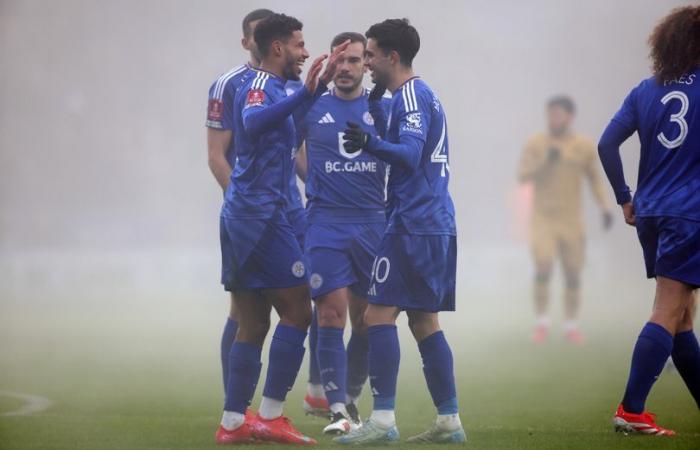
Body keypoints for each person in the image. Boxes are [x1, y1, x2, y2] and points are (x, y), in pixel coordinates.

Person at [214, 13, 349, 445]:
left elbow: (283, 125)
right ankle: (270, 414)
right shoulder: (257, 86)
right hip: (260, 217)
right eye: (299, 45)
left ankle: (233, 423)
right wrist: (305, 92)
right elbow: (253, 123)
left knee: (252, 321)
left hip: (251, 215)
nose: (305, 52)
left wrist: (315, 89)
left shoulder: (277, 89)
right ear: (277, 48)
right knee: (297, 312)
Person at [334, 18, 466, 445]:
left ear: (392, 56)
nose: (366, 61)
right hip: (434, 222)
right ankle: (449, 420)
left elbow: (408, 154)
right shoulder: (418, 95)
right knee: (425, 321)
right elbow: (409, 138)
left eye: (370, 53)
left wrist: (369, 143)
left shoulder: (411, 95)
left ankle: (384, 419)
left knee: (377, 315)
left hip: (413, 222)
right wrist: (374, 103)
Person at [598, 5, 700, 436]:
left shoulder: (646, 89)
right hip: (689, 213)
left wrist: (625, 197)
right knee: (668, 308)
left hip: (652, 212)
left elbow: (606, 144)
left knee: (681, 316)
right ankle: (631, 409)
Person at [296, 31, 390, 435]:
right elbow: (284, 147)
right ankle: (337, 410)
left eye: (355, 60)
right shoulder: (312, 107)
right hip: (325, 224)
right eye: (341, 61)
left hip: (373, 222)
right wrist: (312, 176)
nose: (347, 68)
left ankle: (350, 395)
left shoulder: (383, 109)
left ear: (366, 64)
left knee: (368, 320)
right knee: (330, 314)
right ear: (330, 64)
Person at [205, 6, 274, 412]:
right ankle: (238, 407)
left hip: (286, 212)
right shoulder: (228, 85)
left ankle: (322, 397)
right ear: (247, 41)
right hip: (250, 214)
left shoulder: (285, 83)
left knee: (299, 304)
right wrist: (244, 203)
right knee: (246, 308)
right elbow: (216, 156)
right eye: (259, 35)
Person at [517, 96, 612, 344]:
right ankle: (542, 324)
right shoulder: (536, 143)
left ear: (570, 116)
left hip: (572, 219)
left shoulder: (584, 146)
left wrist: (604, 207)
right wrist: (545, 160)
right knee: (544, 265)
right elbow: (522, 175)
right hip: (543, 218)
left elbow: (594, 179)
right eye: (550, 114)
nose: (553, 119)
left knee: (572, 272)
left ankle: (571, 325)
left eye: (558, 114)